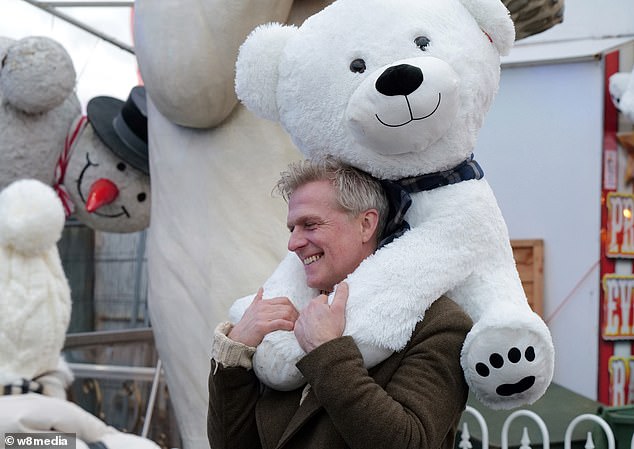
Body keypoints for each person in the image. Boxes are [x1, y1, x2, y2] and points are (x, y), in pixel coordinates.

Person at [207, 158, 473, 449]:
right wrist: (235, 355)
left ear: (366, 224)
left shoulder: (438, 323)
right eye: (292, 228)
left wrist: (327, 351)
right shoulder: (283, 329)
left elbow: (411, 442)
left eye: (309, 224)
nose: (293, 243)